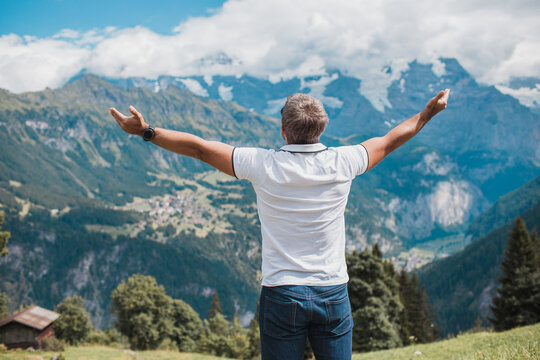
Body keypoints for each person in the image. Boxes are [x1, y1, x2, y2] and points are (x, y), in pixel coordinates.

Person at [110, 88, 450, 359]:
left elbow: (199, 149)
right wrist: (428, 113)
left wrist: (146, 131)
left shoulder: (261, 163)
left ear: (283, 130)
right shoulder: (344, 162)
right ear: (323, 128)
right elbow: (392, 139)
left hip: (281, 294)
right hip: (332, 293)